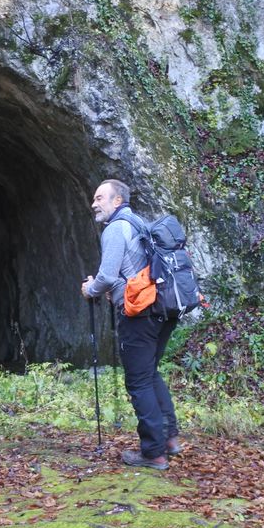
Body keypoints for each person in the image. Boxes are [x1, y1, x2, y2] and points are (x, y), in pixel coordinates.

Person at [81, 180, 181, 470]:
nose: (94, 204)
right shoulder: (140, 224)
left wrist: (90, 289)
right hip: (163, 308)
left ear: (117, 200)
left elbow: (107, 276)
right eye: (94, 199)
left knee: (138, 381)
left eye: (100, 198)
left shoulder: (115, 228)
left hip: (139, 314)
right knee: (149, 374)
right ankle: (170, 439)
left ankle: (153, 453)